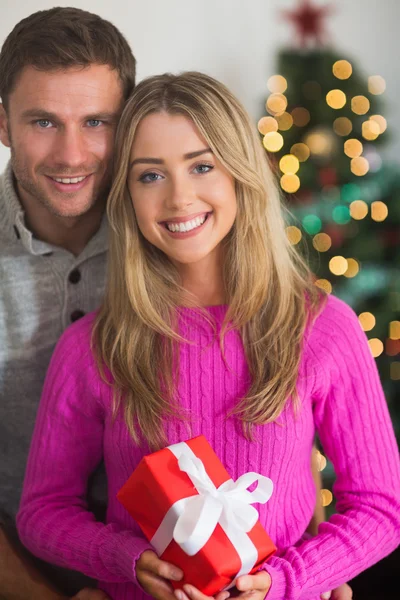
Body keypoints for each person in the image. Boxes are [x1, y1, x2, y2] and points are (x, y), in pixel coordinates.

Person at [17, 71, 398, 600]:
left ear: (240, 174)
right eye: (150, 176)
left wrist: (288, 580)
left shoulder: (324, 328)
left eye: (202, 166)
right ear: (126, 195)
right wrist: (124, 559)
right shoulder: (91, 347)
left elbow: (380, 508)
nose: (179, 197)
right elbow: (42, 511)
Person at [0, 7, 136, 599]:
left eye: (97, 122)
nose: (72, 155)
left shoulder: (178, 233)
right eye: (44, 122)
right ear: (2, 123)